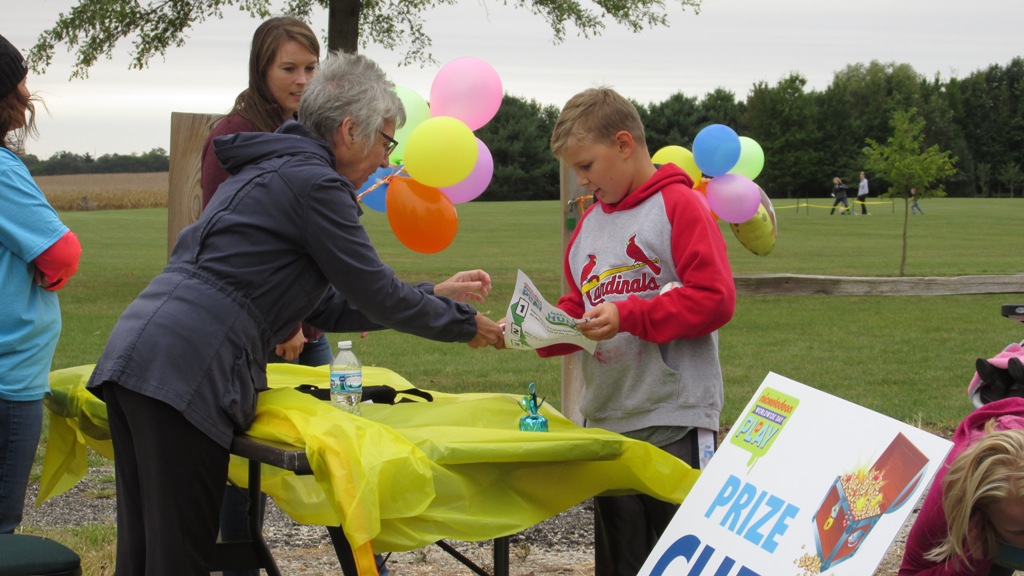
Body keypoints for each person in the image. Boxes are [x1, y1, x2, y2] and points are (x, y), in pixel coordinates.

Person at [86, 50, 504, 575]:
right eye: (386, 141)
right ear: (350, 131)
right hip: (188, 368)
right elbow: (375, 291)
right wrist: (463, 324)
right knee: (178, 558)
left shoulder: (272, 168)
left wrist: (434, 294)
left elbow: (327, 303)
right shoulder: (317, 184)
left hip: (141, 353)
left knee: (145, 553)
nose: (386, 160)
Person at [537, 87, 736, 576]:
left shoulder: (680, 206)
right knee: (621, 564)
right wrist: (540, 328)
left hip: (674, 421)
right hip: (608, 422)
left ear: (624, 144)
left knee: (682, 563)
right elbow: (580, 304)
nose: (581, 180)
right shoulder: (587, 224)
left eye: (586, 165)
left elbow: (715, 299)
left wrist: (629, 316)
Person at [196, 18, 336, 575]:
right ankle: (241, 566)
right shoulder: (234, 134)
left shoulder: (318, 129)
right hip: (258, 332)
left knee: (335, 447)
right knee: (244, 464)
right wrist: (286, 324)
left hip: (312, 327)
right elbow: (232, 242)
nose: (302, 80)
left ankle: (364, 559)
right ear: (261, 69)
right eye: (289, 68)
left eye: (311, 68)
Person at [0, 33, 82, 534]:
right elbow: (61, 252)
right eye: (18, 81)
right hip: (7, 379)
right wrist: (50, 277)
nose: (27, 94)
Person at [899, 397, 1024, 576]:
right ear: (980, 514)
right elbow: (910, 572)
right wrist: (968, 564)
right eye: (1021, 531)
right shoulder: (951, 496)